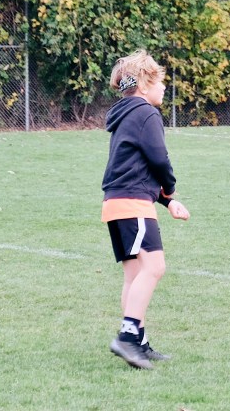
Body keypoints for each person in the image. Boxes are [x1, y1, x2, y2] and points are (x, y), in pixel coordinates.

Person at [101, 50, 190, 369]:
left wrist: (167, 201)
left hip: (115, 203)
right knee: (154, 267)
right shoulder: (146, 113)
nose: (164, 87)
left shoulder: (124, 114)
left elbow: (134, 165)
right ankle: (127, 337)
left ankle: (137, 341)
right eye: (159, 81)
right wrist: (171, 188)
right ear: (142, 84)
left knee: (134, 274)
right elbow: (158, 159)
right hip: (134, 203)